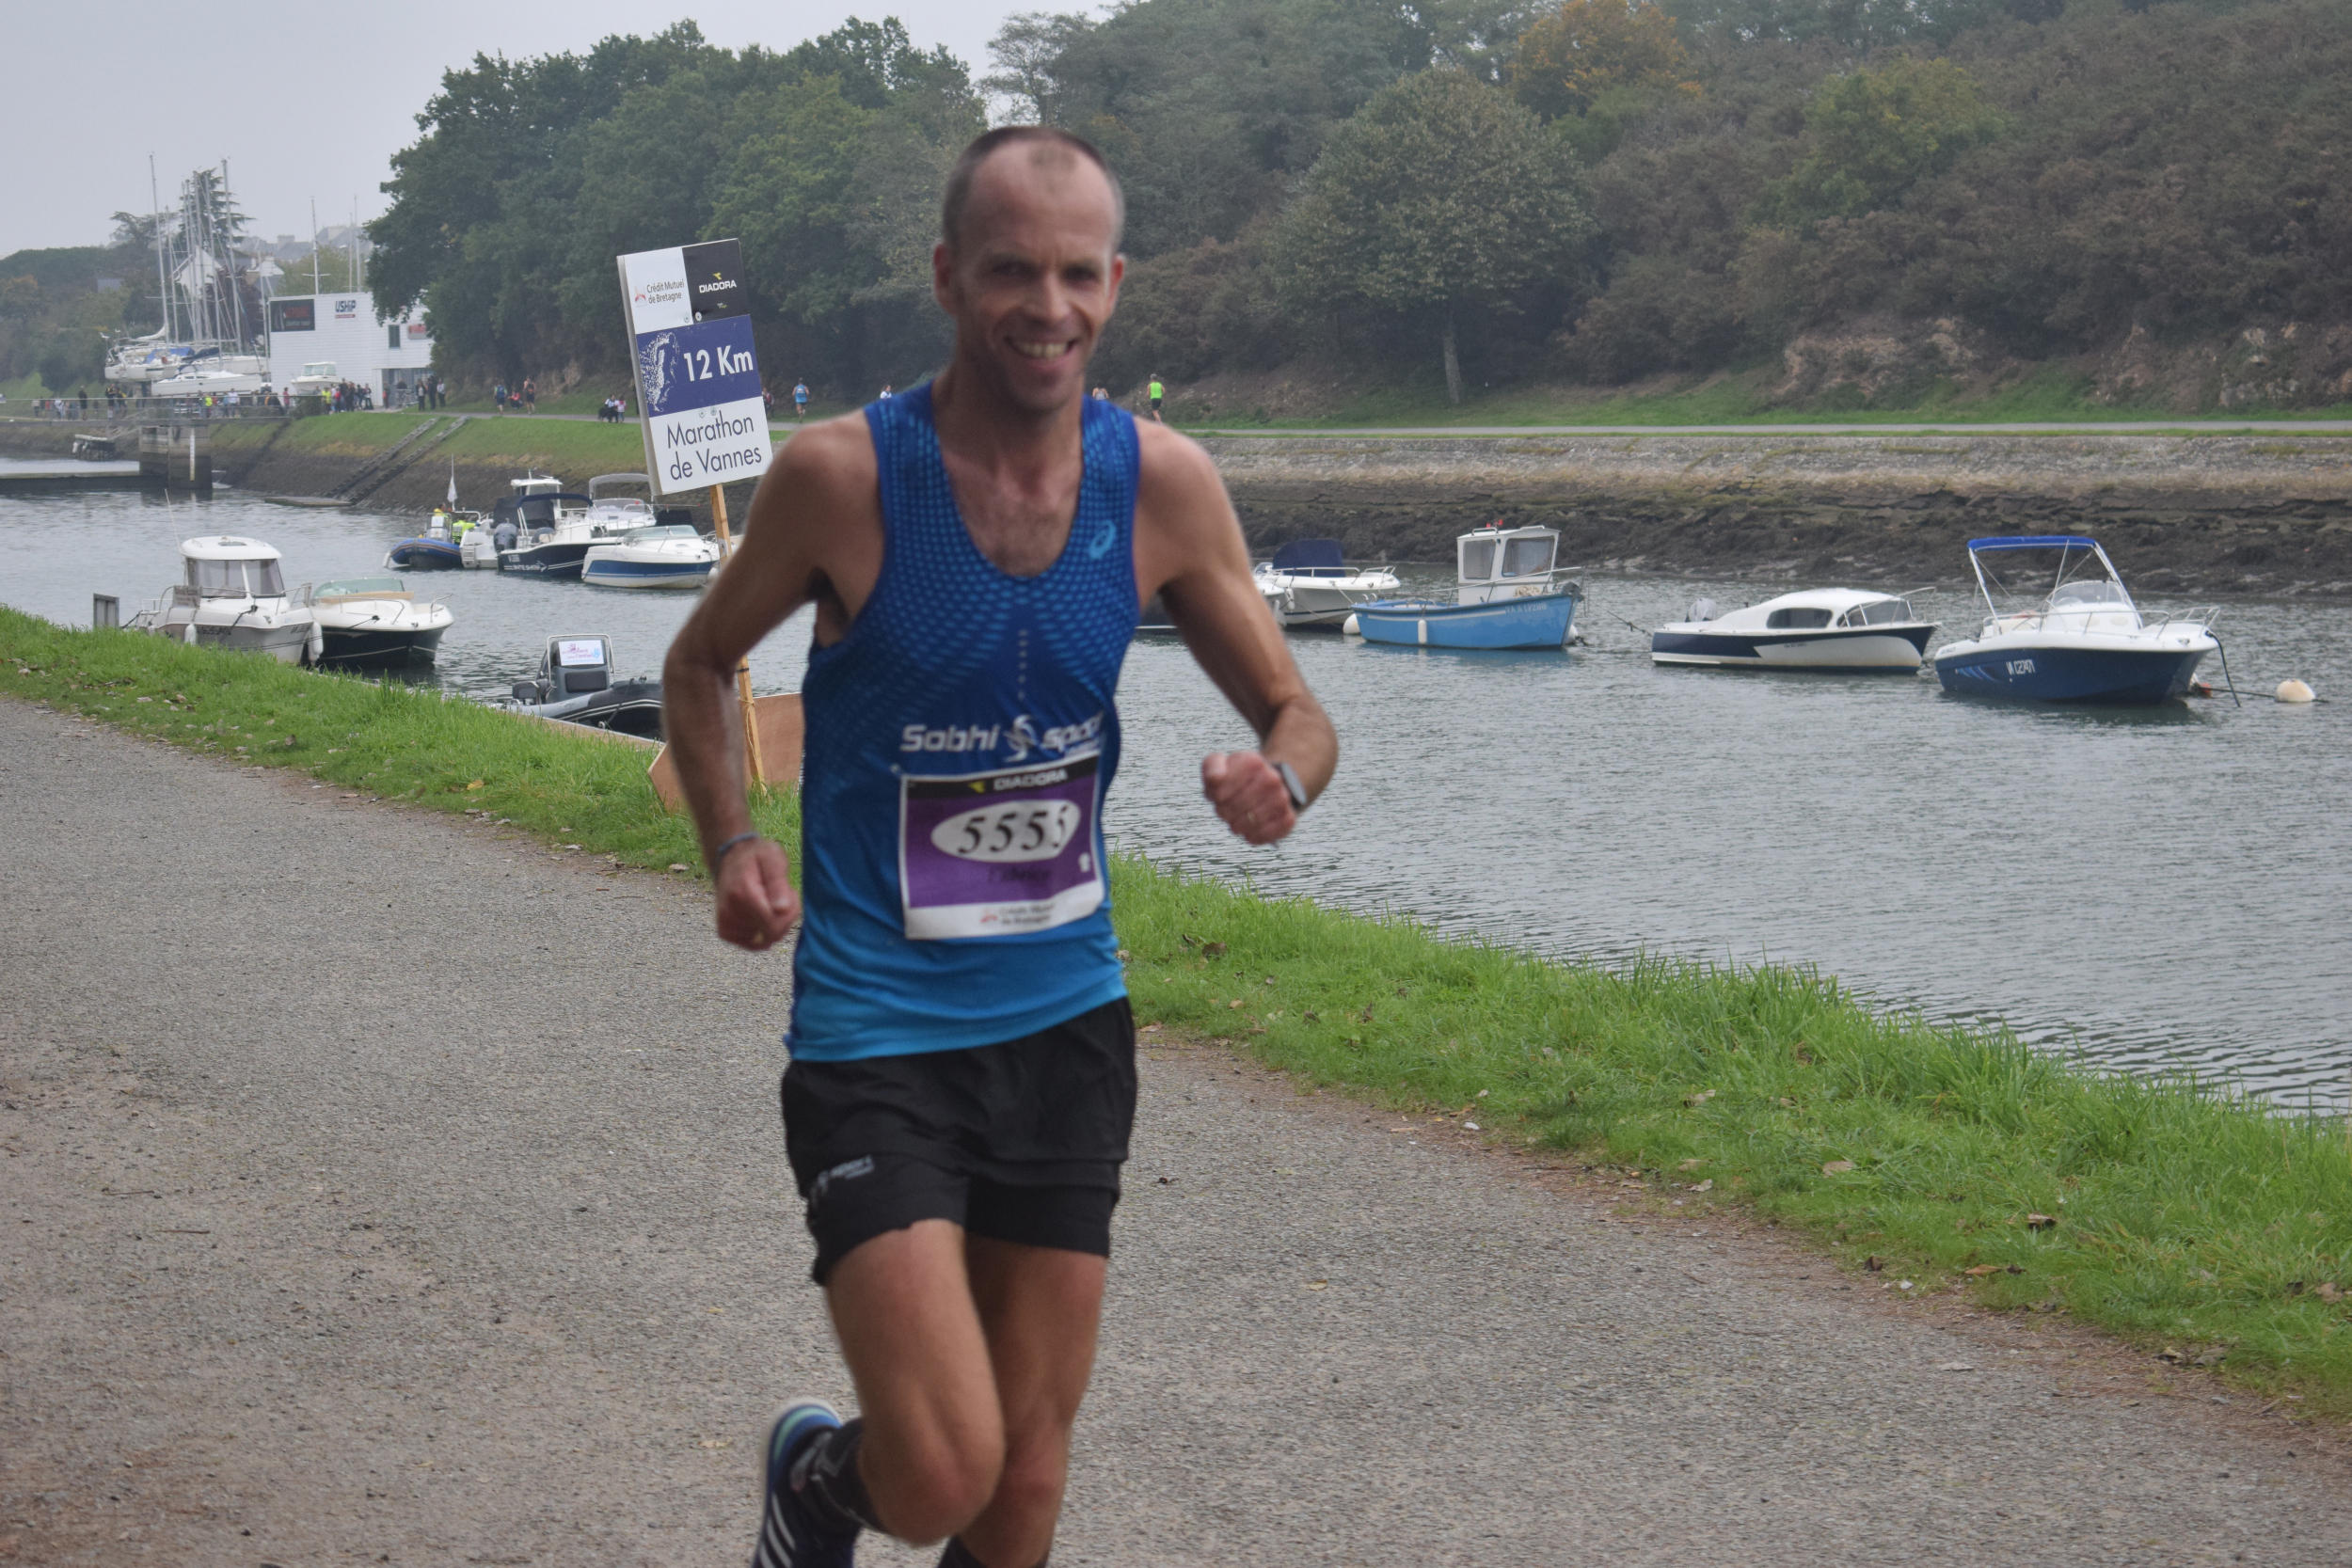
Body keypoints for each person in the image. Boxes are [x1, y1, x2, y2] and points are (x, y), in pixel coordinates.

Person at [661, 124, 1335, 1568]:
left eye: (1078, 274)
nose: (1049, 306)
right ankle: (817, 1485)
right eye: (1012, 270)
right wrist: (731, 843)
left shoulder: (1159, 485)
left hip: (1066, 1024)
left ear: (1116, 284)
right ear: (947, 277)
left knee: (1024, 1489)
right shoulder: (845, 478)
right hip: (876, 1031)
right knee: (943, 1469)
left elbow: (1299, 712)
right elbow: (702, 663)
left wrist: (1280, 778)